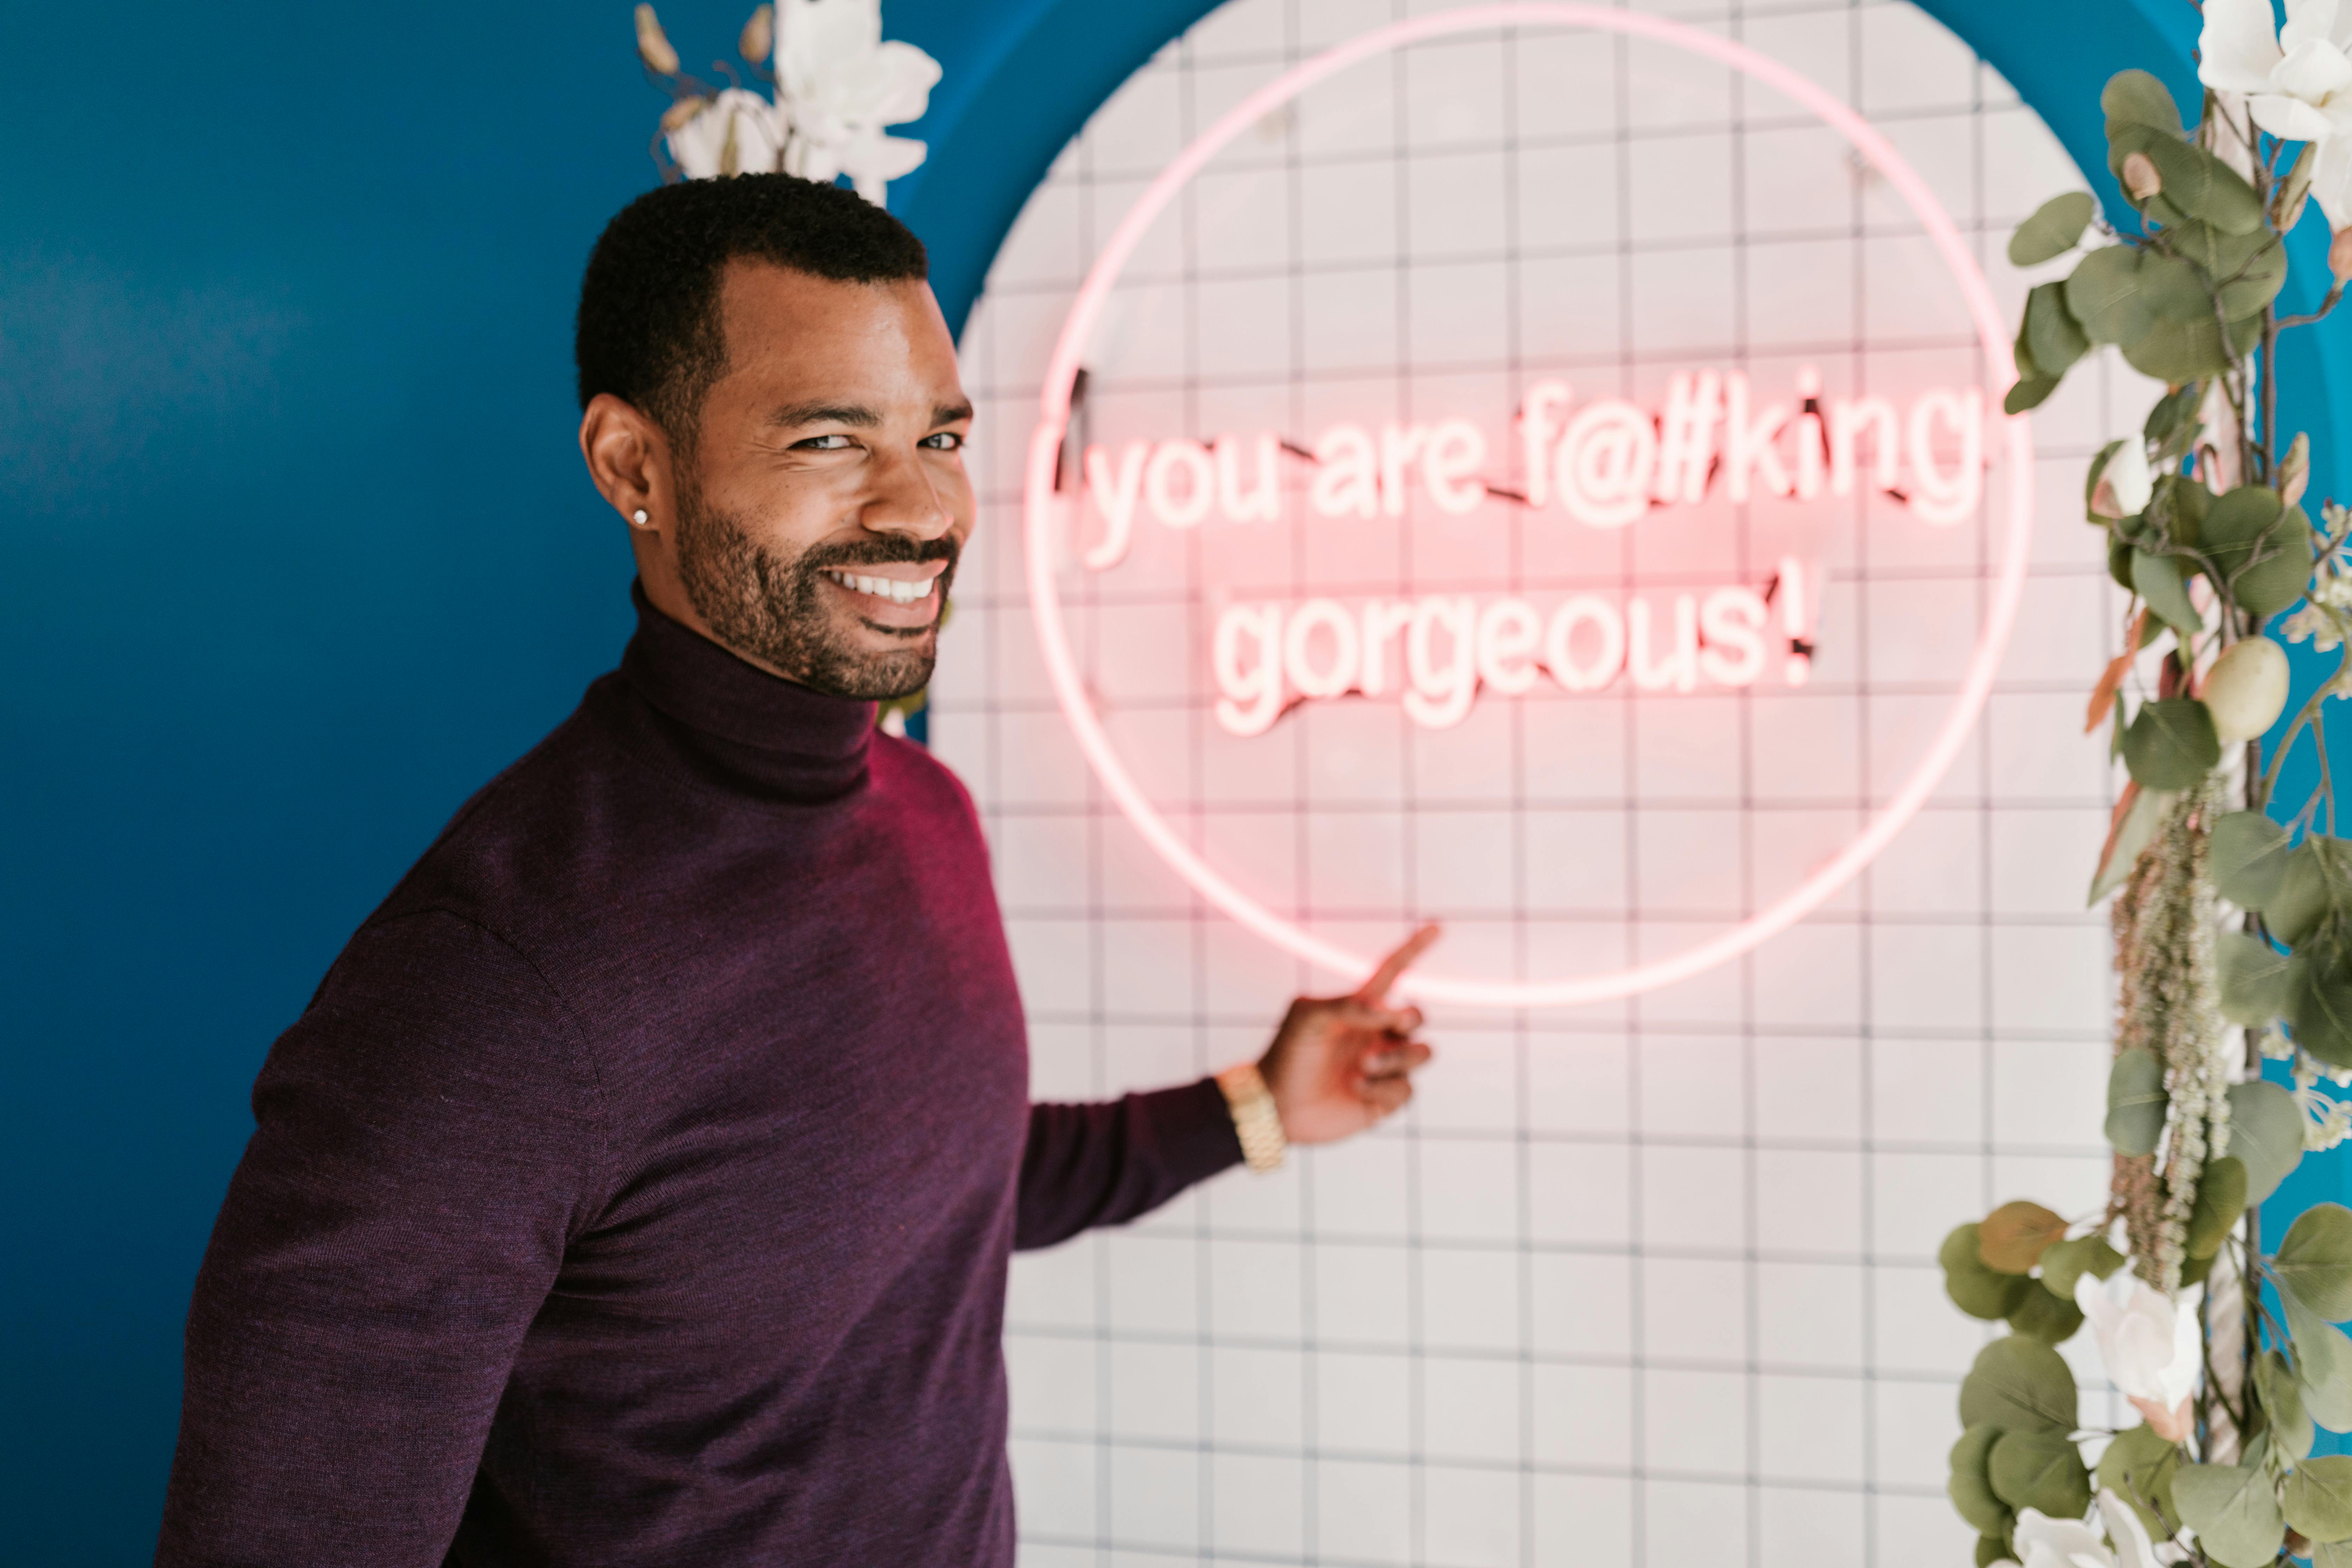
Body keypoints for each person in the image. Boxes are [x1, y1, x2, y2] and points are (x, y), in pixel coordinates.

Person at [156, 173, 1436, 1567]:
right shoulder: (494, 990)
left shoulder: (929, 816)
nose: (919, 508)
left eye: (939, 436)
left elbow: (937, 1188)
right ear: (633, 467)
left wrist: (1257, 1104)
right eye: (831, 439)